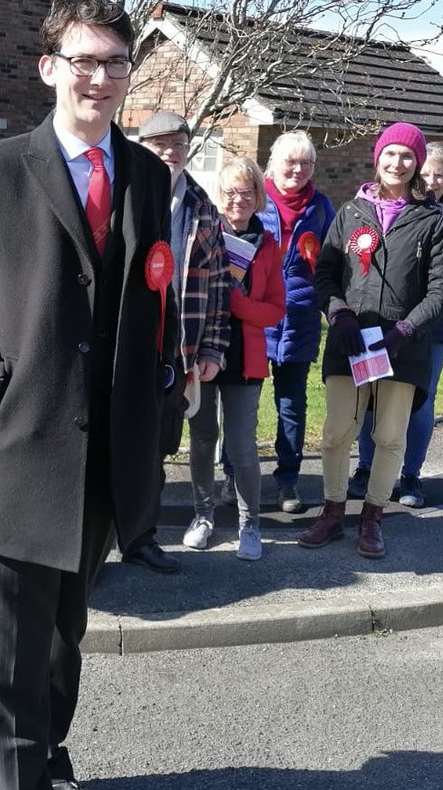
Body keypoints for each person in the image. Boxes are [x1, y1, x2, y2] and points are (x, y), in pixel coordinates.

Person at [0, 0, 178, 790]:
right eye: (85, 61)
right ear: (49, 69)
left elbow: (155, 304)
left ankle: (55, 767)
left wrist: (164, 408)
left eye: (115, 63)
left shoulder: (148, 178)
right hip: (20, 454)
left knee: (65, 640)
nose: (101, 78)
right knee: (12, 661)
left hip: (106, 464)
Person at [300, 122, 443, 560]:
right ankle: (332, 512)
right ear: (378, 157)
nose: (398, 163)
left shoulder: (433, 220)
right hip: (351, 341)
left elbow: (441, 289)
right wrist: (338, 313)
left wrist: (406, 329)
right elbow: (326, 273)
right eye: (391, 153)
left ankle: (372, 518)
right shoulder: (350, 213)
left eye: (408, 156)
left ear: (418, 164)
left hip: (402, 345)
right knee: (336, 433)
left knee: (389, 437)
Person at [122, 111, 231, 574]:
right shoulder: (121, 193)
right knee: (112, 441)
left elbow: (221, 284)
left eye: (178, 144)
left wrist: (211, 349)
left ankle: (141, 539)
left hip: (177, 351)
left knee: (157, 449)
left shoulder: (203, 206)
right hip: (121, 348)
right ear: (141, 146)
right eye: (159, 144)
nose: (169, 152)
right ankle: (101, 534)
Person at [348, 143, 443, 507]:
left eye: (440, 174)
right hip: (388, 323)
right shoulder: (394, 212)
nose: (433, 180)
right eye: (427, 173)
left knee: (420, 403)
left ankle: (410, 476)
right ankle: (366, 467)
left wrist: (432, 301)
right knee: (373, 396)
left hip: (434, 328)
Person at [182, 158, 285, 561]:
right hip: (203, 354)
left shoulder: (269, 245)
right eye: (229, 192)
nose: (237, 200)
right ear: (218, 197)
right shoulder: (205, 236)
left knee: (241, 446)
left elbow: (276, 309)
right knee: (203, 439)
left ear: (258, 196)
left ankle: (250, 525)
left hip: (246, 360)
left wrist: (237, 304)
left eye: (246, 192)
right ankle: (203, 517)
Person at [259, 130, 335, 513]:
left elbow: (332, 264)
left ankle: (288, 481)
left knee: (291, 405)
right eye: (291, 161)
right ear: (274, 162)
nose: (298, 169)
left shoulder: (321, 208)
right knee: (242, 402)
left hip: (301, 319)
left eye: (306, 163)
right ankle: (233, 475)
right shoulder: (254, 198)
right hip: (254, 320)